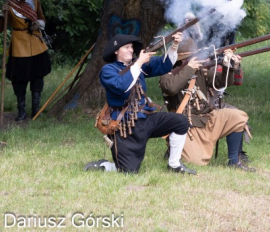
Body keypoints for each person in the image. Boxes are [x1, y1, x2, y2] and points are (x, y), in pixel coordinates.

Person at [84, 32, 197, 175]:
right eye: (126, 47)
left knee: (180, 121)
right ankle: (106, 165)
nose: (131, 50)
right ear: (116, 51)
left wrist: (174, 46)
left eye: (131, 47)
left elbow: (164, 65)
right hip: (126, 126)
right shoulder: (108, 70)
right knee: (128, 172)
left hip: (146, 119)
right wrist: (138, 63)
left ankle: (174, 164)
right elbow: (122, 86)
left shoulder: (138, 66)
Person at [158, 37, 254, 171]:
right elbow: (171, 88)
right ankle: (173, 150)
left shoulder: (200, 71)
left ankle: (234, 161)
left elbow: (221, 82)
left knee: (238, 116)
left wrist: (228, 65)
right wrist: (189, 69)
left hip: (207, 118)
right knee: (196, 161)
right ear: (182, 60)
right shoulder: (167, 76)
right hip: (187, 126)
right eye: (192, 57)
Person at [0, 0, 52, 121]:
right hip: (19, 45)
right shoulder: (9, 5)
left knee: (37, 76)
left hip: (36, 43)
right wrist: (3, 14)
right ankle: (21, 112)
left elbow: (41, 18)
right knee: (19, 78)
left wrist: (39, 24)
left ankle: (36, 110)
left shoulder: (35, 2)